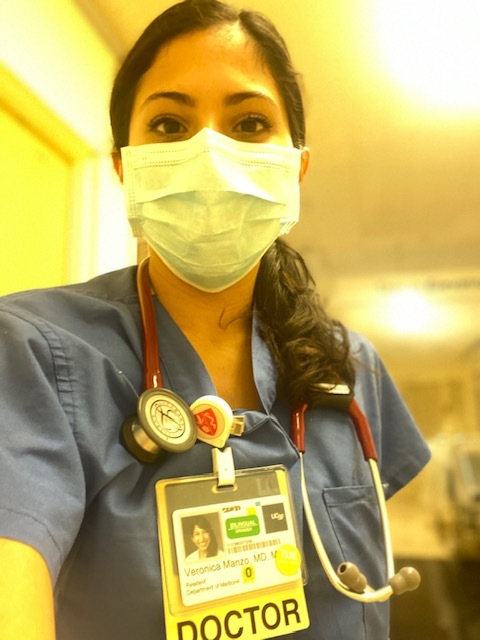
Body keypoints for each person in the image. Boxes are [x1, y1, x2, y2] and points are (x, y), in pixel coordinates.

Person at [0, 1, 430, 638]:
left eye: (251, 122)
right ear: (124, 168)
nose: (210, 152)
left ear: (296, 169)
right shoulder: (33, 349)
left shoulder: (350, 365)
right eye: (170, 124)